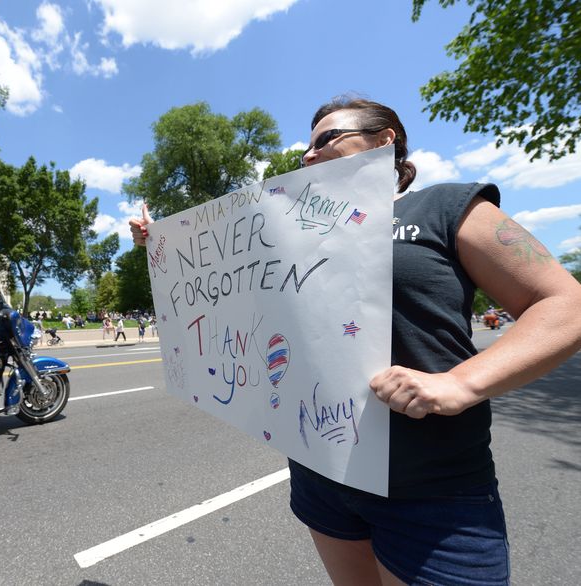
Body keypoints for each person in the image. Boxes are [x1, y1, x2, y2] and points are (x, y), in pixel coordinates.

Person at [129, 96, 581, 586]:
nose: (307, 156)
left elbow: (565, 305)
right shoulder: (294, 231)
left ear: (385, 141)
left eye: (326, 139)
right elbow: (232, 290)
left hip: (432, 490)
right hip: (322, 476)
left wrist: (463, 383)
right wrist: (168, 246)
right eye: (306, 148)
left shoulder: (444, 207)